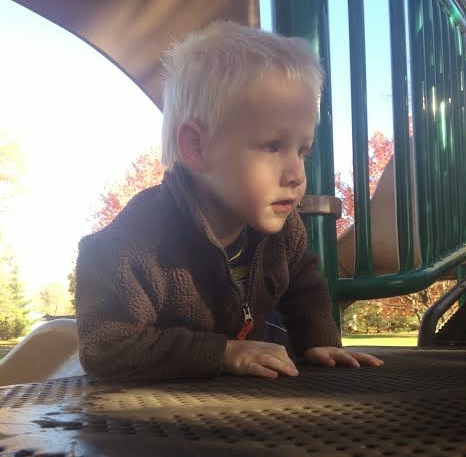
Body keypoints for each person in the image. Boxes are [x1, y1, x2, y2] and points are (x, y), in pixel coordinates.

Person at [75, 20, 383, 381]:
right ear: (197, 147)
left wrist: (319, 340)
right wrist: (221, 352)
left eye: (302, 151)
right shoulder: (131, 249)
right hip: (153, 406)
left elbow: (305, 285)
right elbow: (105, 348)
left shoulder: (284, 233)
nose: (297, 175)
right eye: (273, 147)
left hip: (229, 398)